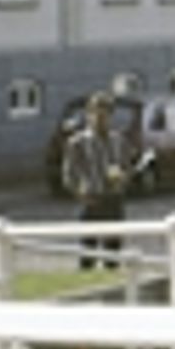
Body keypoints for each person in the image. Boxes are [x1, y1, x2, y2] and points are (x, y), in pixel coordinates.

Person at [62, 94, 130, 269]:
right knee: (88, 253)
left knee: (113, 253)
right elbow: (69, 175)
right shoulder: (78, 143)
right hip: (92, 200)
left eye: (105, 114)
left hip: (113, 200)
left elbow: (126, 167)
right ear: (88, 114)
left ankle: (112, 279)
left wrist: (122, 179)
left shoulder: (119, 140)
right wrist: (80, 193)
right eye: (96, 114)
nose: (100, 119)